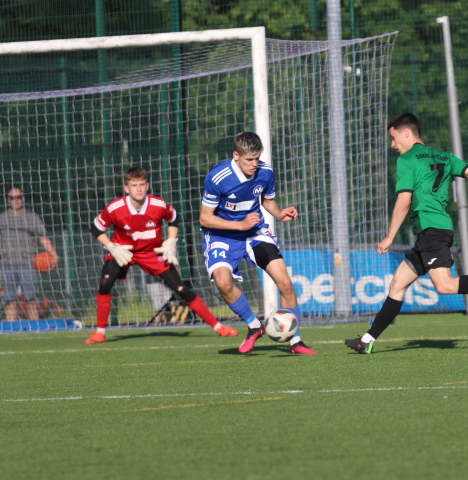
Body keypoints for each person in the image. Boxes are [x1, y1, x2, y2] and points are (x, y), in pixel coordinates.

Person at [344, 113, 468, 354]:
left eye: (393, 138)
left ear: (406, 133)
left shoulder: (407, 159)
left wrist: (390, 236)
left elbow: (404, 201)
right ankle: (367, 341)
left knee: (445, 286)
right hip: (434, 231)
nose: (393, 144)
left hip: (432, 231)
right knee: (397, 285)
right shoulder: (444, 156)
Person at [84, 167, 239, 344]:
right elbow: (96, 228)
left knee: (181, 289)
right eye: (134, 185)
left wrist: (171, 242)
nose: (139, 189)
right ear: (126, 188)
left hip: (152, 252)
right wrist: (112, 247)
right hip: (123, 252)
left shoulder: (159, 205)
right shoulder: (115, 208)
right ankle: (100, 333)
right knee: (105, 282)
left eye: (142, 184)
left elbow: (174, 218)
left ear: (147, 186)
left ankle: (218, 327)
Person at [199, 131, 317, 354]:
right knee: (223, 282)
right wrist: (240, 225)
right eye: (249, 159)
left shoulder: (265, 171)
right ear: (236, 155)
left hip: (255, 232)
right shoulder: (218, 177)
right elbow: (205, 218)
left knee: (285, 282)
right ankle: (255, 326)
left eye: (257, 158)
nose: (254, 164)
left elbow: (267, 200)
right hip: (222, 235)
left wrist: (279, 214)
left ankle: (295, 341)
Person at [0, 187, 58, 321]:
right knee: (10, 301)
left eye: (19, 197)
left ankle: (35, 328)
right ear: (8, 200)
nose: (16, 200)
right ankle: (11, 330)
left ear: (23, 199)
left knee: (31, 300)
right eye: (12, 198)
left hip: (28, 264)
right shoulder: (2, 218)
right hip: (7, 264)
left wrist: (54, 255)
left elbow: (43, 238)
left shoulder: (32, 217)